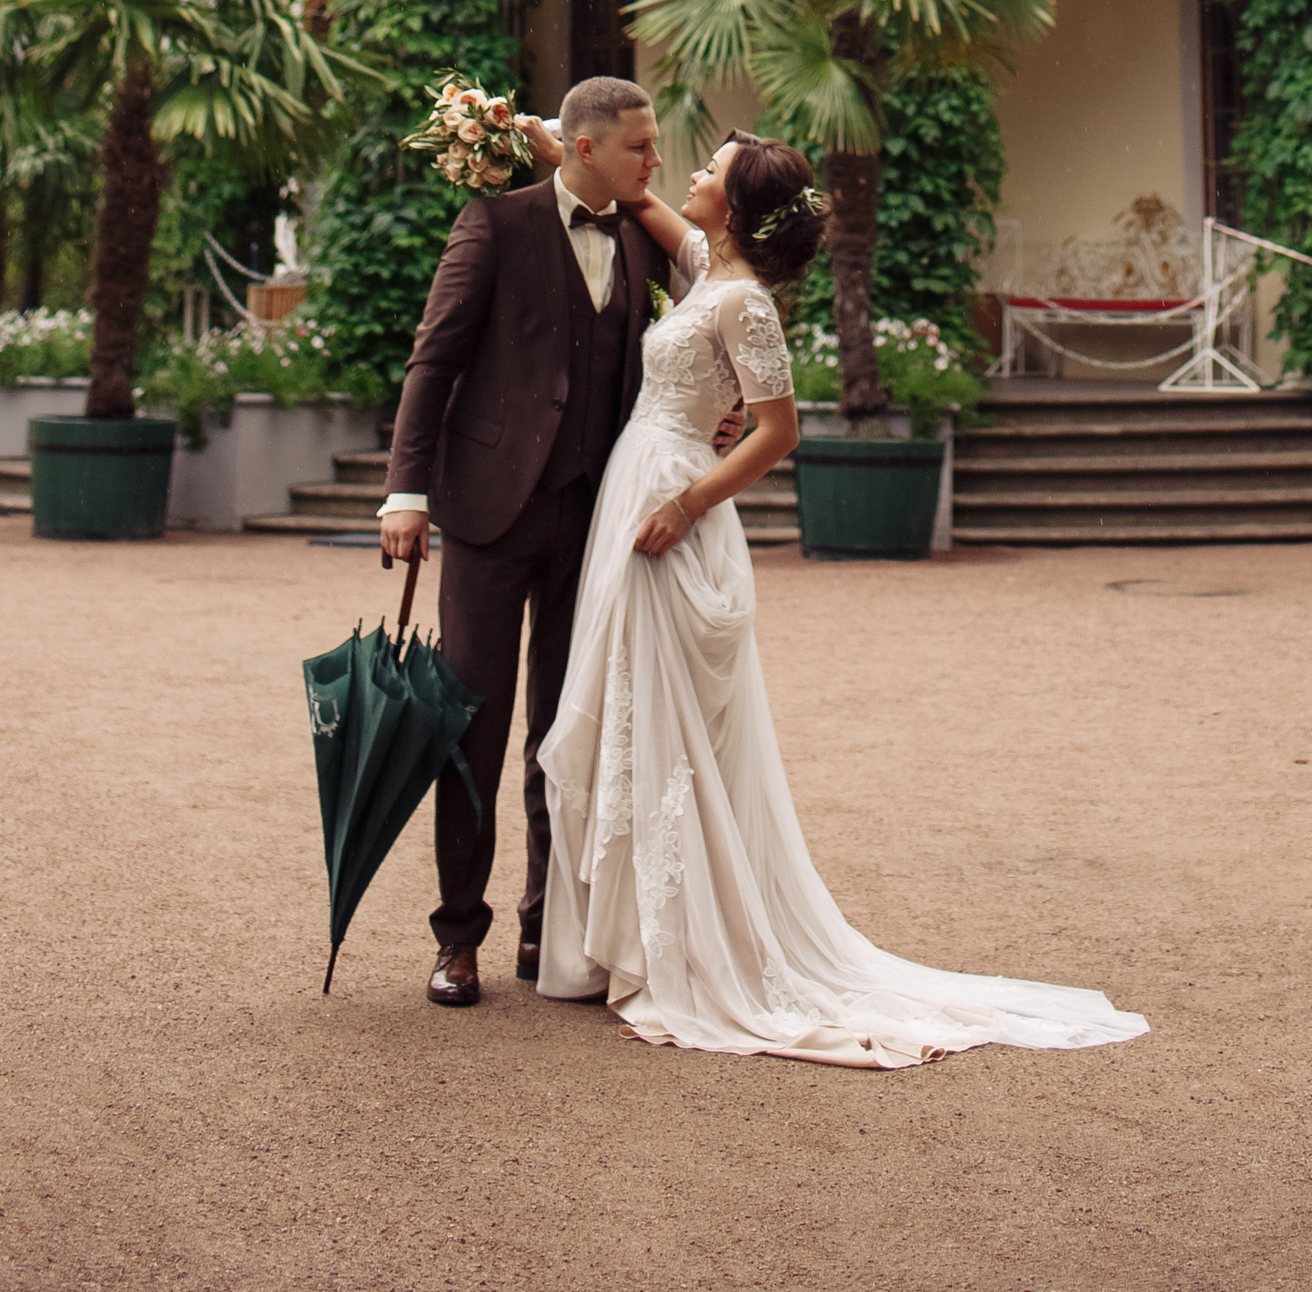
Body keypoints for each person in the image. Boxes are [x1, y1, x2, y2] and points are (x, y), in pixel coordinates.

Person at [533, 126, 1149, 1066]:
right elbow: (643, 204)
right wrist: (544, 139)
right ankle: (622, 942)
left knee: (666, 720)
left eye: (711, 170)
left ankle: (686, 946)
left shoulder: (746, 305)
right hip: (641, 480)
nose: (690, 174)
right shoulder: (707, 265)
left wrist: (689, 501)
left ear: (734, 206)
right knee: (627, 707)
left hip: (672, 503)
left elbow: (778, 432)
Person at [376, 74, 731, 1010]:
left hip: (596, 518)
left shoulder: (643, 242)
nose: (655, 164)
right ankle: (458, 938)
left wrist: (718, 421)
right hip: (490, 515)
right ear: (582, 148)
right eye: (640, 148)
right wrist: (404, 493)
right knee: (473, 729)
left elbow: (704, 335)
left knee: (570, 729)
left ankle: (549, 927)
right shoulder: (492, 226)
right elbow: (434, 358)